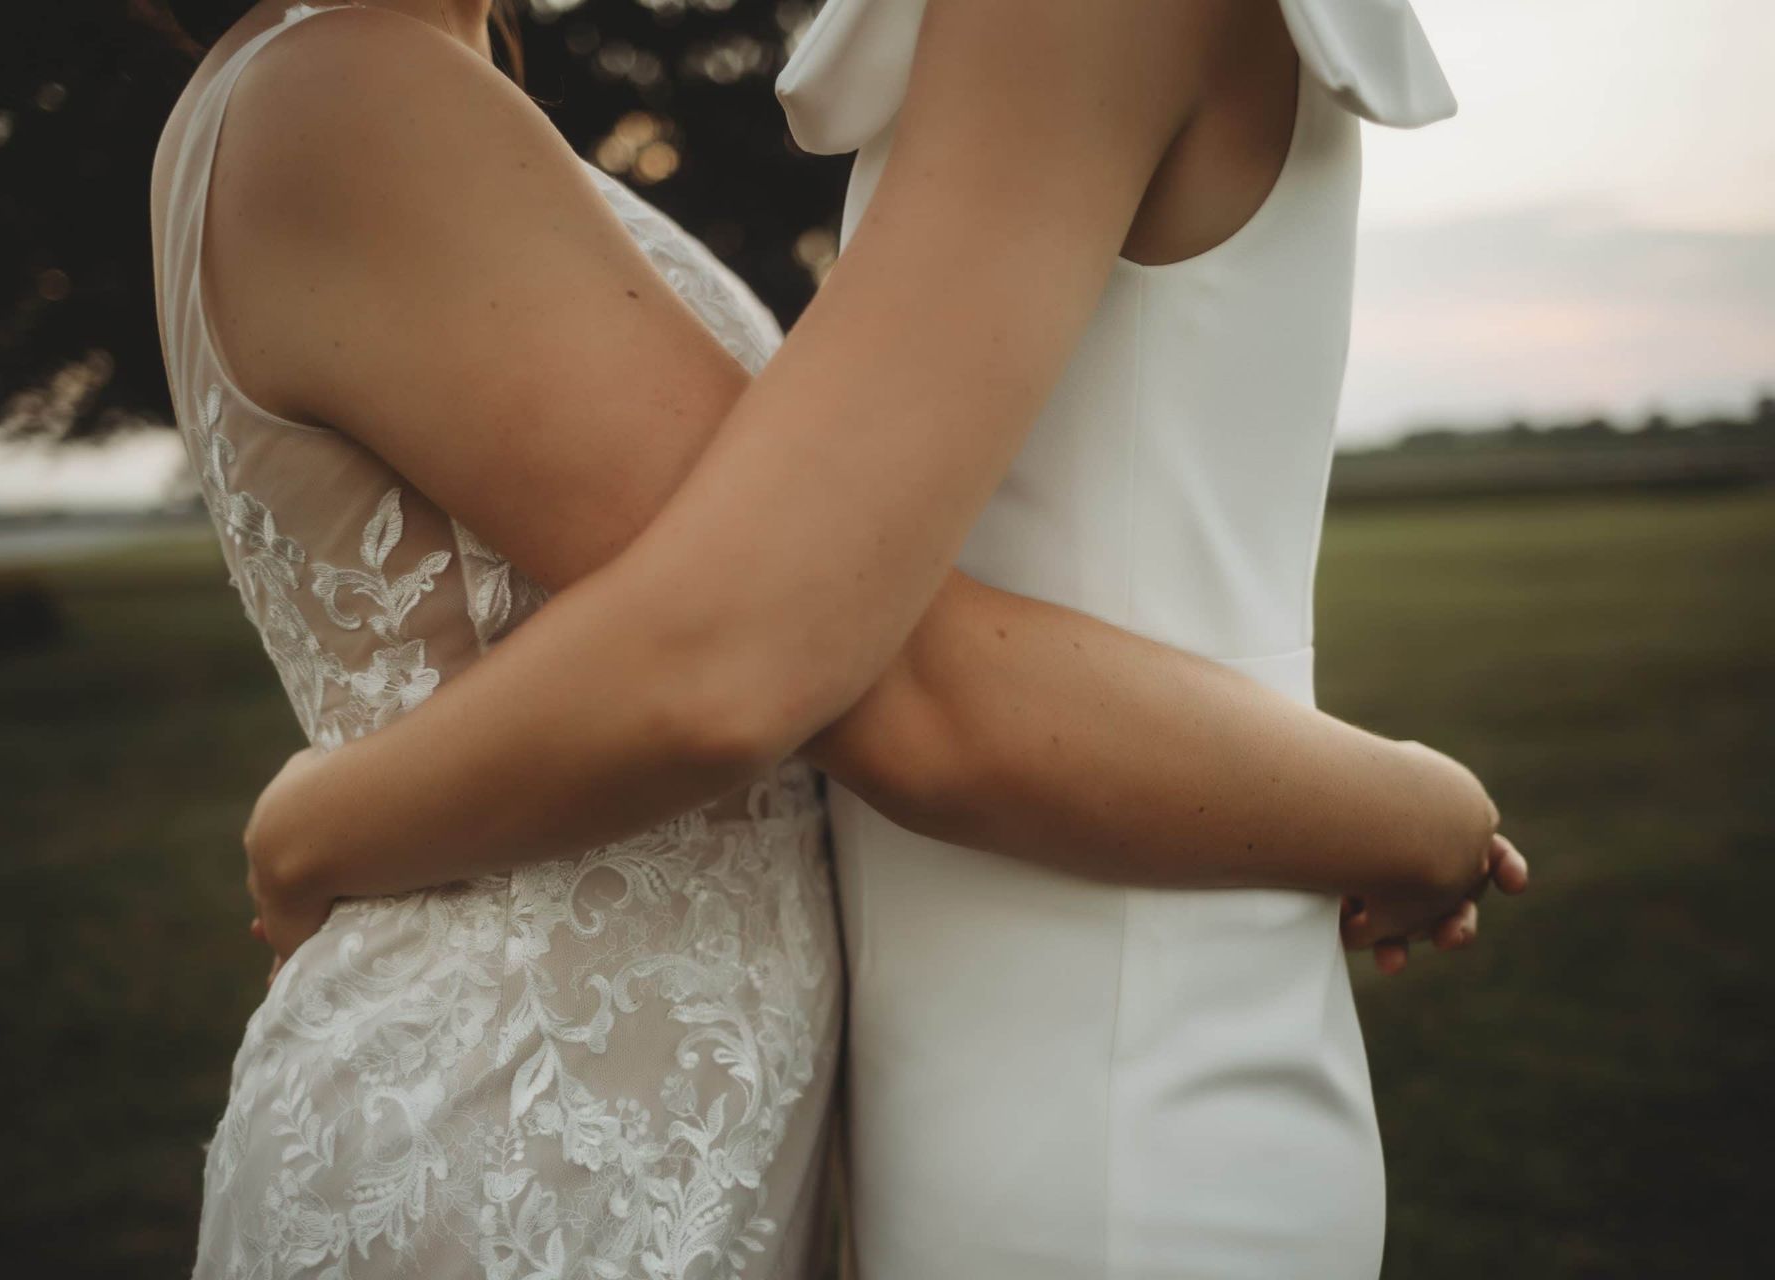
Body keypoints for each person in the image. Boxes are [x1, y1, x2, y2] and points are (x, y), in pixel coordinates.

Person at [150, 1, 1521, 1275]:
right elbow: (796, 665)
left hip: (757, 1113)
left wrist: (323, 814)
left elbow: (801, 626)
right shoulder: (352, 94)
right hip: (525, 1130)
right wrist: (1415, 805)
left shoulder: (377, 96)